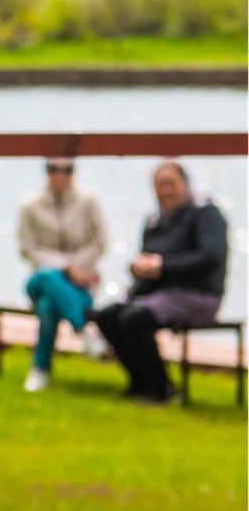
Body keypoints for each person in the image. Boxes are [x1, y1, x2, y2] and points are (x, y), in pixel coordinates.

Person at [93, 161, 231, 404]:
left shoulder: (206, 213)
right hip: (158, 294)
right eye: (159, 185)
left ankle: (162, 388)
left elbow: (211, 257)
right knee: (107, 315)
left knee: (135, 318)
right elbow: (147, 259)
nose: (165, 191)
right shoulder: (155, 220)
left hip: (198, 294)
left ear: (185, 184)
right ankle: (140, 382)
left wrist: (163, 267)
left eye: (170, 184)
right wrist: (138, 268)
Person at [16, 158, 106, 391]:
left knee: (48, 306)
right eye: (54, 169)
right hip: (40, 280)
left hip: (81, 283)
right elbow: (27, 249)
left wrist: (78, 268)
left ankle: (40, 369)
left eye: (67, 170)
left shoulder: (88, 201)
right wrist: (65, 266)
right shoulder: (30, 204)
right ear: (46, 171)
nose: (60, 175)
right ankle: (83, 330)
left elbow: (100, 243)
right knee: (48, 276)